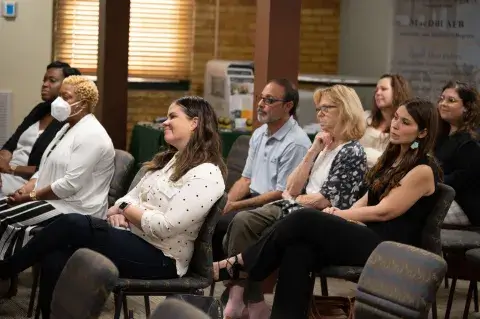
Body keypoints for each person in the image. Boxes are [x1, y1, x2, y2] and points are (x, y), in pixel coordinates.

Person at [0, 96, 227, 318]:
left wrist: (127, 210)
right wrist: (126, 209)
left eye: (172, 116)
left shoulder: (206, 174)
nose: (164, 122)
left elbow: (164, 226)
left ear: (194, 123)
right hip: (134, 239)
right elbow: (122, 201)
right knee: (58, 251)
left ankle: (8, 269)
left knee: (74, 223)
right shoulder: (171, 161)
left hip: (161, 259)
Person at [214, 97, 441, 319]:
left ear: (422, 133)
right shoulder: (391, 159)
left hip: (391, 246)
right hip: (367, 233)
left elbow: (384, 211)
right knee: (299, 249)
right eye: (396, 118)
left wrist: (341, 214)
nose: (395, 125)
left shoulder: (423, 169)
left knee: (304, 218)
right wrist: (344, 217)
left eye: (405, 122)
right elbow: (367, 200)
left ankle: (240, 263)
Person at [220, 85, 367, 319]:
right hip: (295, 209)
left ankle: (239, 292)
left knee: (244, 222)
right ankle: (248, 299)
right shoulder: (323, 144)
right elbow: (291, 187)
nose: (319, 114)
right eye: (318, 109)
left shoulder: (352, 151)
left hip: (320, 219)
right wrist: (313, 151)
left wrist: (294, 198)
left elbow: (324, 199)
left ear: (345, 110)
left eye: (325, 108)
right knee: (240, 223)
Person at [0, 75, 115, 261]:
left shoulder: (92, 135)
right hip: (54, 200)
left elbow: (69, 185)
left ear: (83, 103)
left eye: (66, 97)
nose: (59, 102)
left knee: (3, 218)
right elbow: (45, 167)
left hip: (75, 209)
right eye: (59, 96)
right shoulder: (66, 128)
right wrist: (26, 188)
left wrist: (29, 197)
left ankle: (5, 271)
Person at [212, 79, 311, 261]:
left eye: (269, 100)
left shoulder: (296, 143)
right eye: (261, 98)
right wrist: (225, 205)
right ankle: (209, 278)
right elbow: (246, 180)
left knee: (234, 221)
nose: (261, 104)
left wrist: (235, 206)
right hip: (253, 200)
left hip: (276, 207)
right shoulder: (259, 133)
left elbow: (281, 193)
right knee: (211, 217)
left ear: (288, 106)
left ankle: (236, 283)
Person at [0, 62, 81, 195]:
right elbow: (10, 145)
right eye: (44, 80)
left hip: (27, 184)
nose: (44, 84)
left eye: (52, 80)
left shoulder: (70, 122)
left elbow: (48, 170)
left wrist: (10, 169)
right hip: (5, 176)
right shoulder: (40, 109)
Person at [435, 81, 480, 225]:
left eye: (451, 100)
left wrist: (427, 181)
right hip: (440, 195)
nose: (443, 103)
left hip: (463, 205)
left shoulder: (471, 142)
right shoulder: (440, 136)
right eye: (441, 99)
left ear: (467, 108)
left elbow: (459, 180)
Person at [360, 73, 412, 168]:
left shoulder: (408, 124)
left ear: (397, 92)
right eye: (376, 90)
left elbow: (400, 161)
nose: (378, 93)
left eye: (383, 89)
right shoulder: (365, 117)